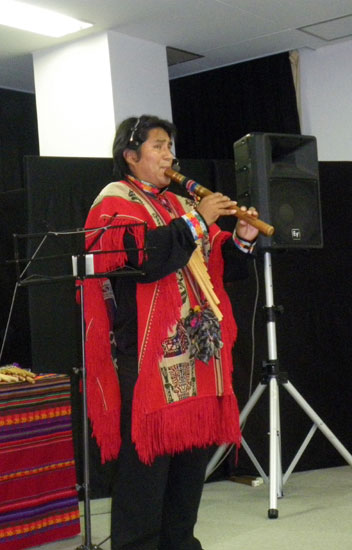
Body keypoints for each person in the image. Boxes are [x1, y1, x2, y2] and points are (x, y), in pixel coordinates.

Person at [82, 115, 259, 550]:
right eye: (159, 146)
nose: (169, 156)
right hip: (147, 358)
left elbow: (218, 266)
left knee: (189, 468)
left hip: (196, 355)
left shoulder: (179, 204)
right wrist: (198, 219)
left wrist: (242, 237)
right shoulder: (114, 201)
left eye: (170, 147)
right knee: (145, 471)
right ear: (131, 155)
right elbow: (147, 260)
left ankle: (180, 543)